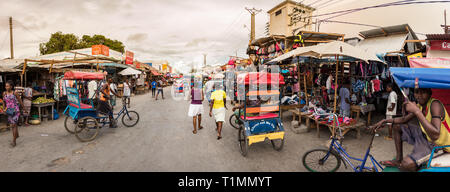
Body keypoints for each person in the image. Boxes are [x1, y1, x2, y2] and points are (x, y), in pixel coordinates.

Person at [369, 88, 450, 171]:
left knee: (406, 165)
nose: (419, 96)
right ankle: (398, 159)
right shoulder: (421, 105)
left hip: (440, 145)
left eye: (423, 92)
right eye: (417, 92)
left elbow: (435, 135)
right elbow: (404, 120)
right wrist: (385, 121)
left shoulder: (435, 104)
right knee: (397, 126)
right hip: (427, 137)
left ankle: (413, 164)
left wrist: (417, 111)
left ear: (430, 93)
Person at [3, 80, 23, 147]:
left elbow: (20, 101)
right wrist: (4, 109)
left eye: (7, 86)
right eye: (5, 86)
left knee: (13, 125)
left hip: (15, 111)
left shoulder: (15, 93)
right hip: (9, 111)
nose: (6, 87)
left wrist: (24, 109)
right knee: (13, 125)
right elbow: (4, 102)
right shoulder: (4, 93)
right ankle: (16, 135)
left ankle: (14, 141)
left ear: (11, 86)